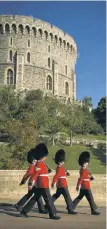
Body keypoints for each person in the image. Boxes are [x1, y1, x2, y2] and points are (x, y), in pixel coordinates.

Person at [20, 143, 60, 220]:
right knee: (48, 199)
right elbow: (35, 174)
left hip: (40, 184)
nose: (46, 157)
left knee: (35, 198)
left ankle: (23, 212)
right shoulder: (39, 164)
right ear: (41, 156)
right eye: (45, 156)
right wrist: (31, 183)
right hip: (43, 184)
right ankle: (53, 214)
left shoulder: (41, 164)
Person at [14, 148, 52, 214]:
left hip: (36, 183)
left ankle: (41, 209)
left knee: (37, 196)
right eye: (34, 160)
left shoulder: (36, 165)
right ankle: (19, 205)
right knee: (32, 195)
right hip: (33, 183)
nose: (36, 161)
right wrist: (23, 181)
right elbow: (28, 174)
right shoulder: (32, 166)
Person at [73, 151, 100, 215]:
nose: (87, 163)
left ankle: (71, 207)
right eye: (86, 162)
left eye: (87, 162)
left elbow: (85, 178)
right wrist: (78, 186)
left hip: (83, 187)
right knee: (90, 198)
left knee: (79, 198)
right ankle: (93, 210)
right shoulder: (84, 170)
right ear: (83, 163)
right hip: (86, 187)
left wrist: (90, 178)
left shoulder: (83, 169)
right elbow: (81, 178)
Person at [51, 149, 77, 214]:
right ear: (59, 162)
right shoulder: (59, 168)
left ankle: (47, 206)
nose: (63, 162)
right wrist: (53, 183)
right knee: (67, 197)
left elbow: (62, 174)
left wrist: (66, 173)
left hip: (60, 185)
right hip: (63, 185)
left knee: (56, 196)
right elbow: (56, 176)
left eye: (63, 161)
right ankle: (70, 209)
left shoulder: (61, 167)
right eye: (61, 161)